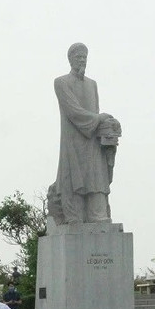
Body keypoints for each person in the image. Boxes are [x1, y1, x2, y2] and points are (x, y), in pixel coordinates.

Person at [48, 43, 121, 225]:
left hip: (92, 142)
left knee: (96, 178)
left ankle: (97, 215)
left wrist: (108, 123)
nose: (82, 60)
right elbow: (73, 111)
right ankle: (74, 215)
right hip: (73, 141)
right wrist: (99, 119)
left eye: (84, 57)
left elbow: (95, 111)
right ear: (70, 59)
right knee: (73, 182)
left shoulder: (92, 85)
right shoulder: (61, 82)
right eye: (78, 57)